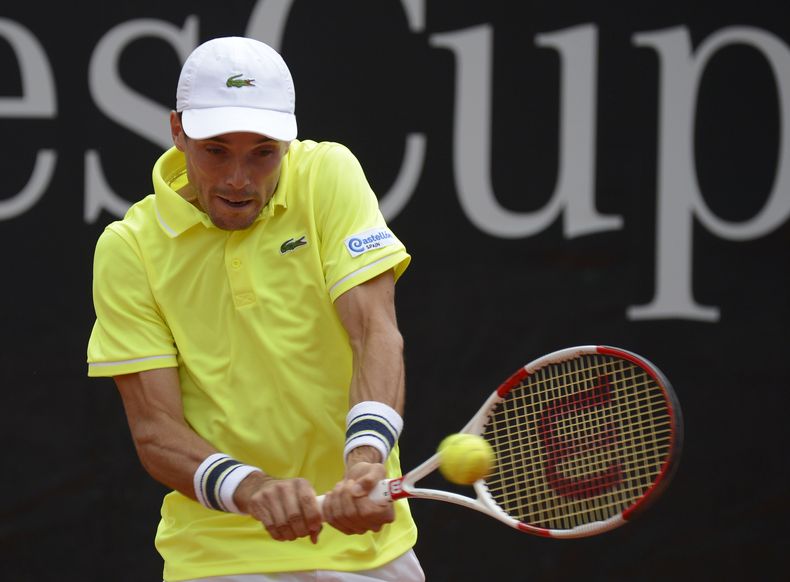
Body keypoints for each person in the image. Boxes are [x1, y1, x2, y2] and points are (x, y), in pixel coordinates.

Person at [86, 36, 423, 582]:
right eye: (216, 150)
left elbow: (374, 331)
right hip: (217, 561)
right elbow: (155, 430)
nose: (239, 180)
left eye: (262, 152)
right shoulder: (130, 247)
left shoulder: (328, 175)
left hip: (368, 553)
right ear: (178, 132)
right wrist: (252, 488)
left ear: (287, 142)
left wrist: (364, 460)